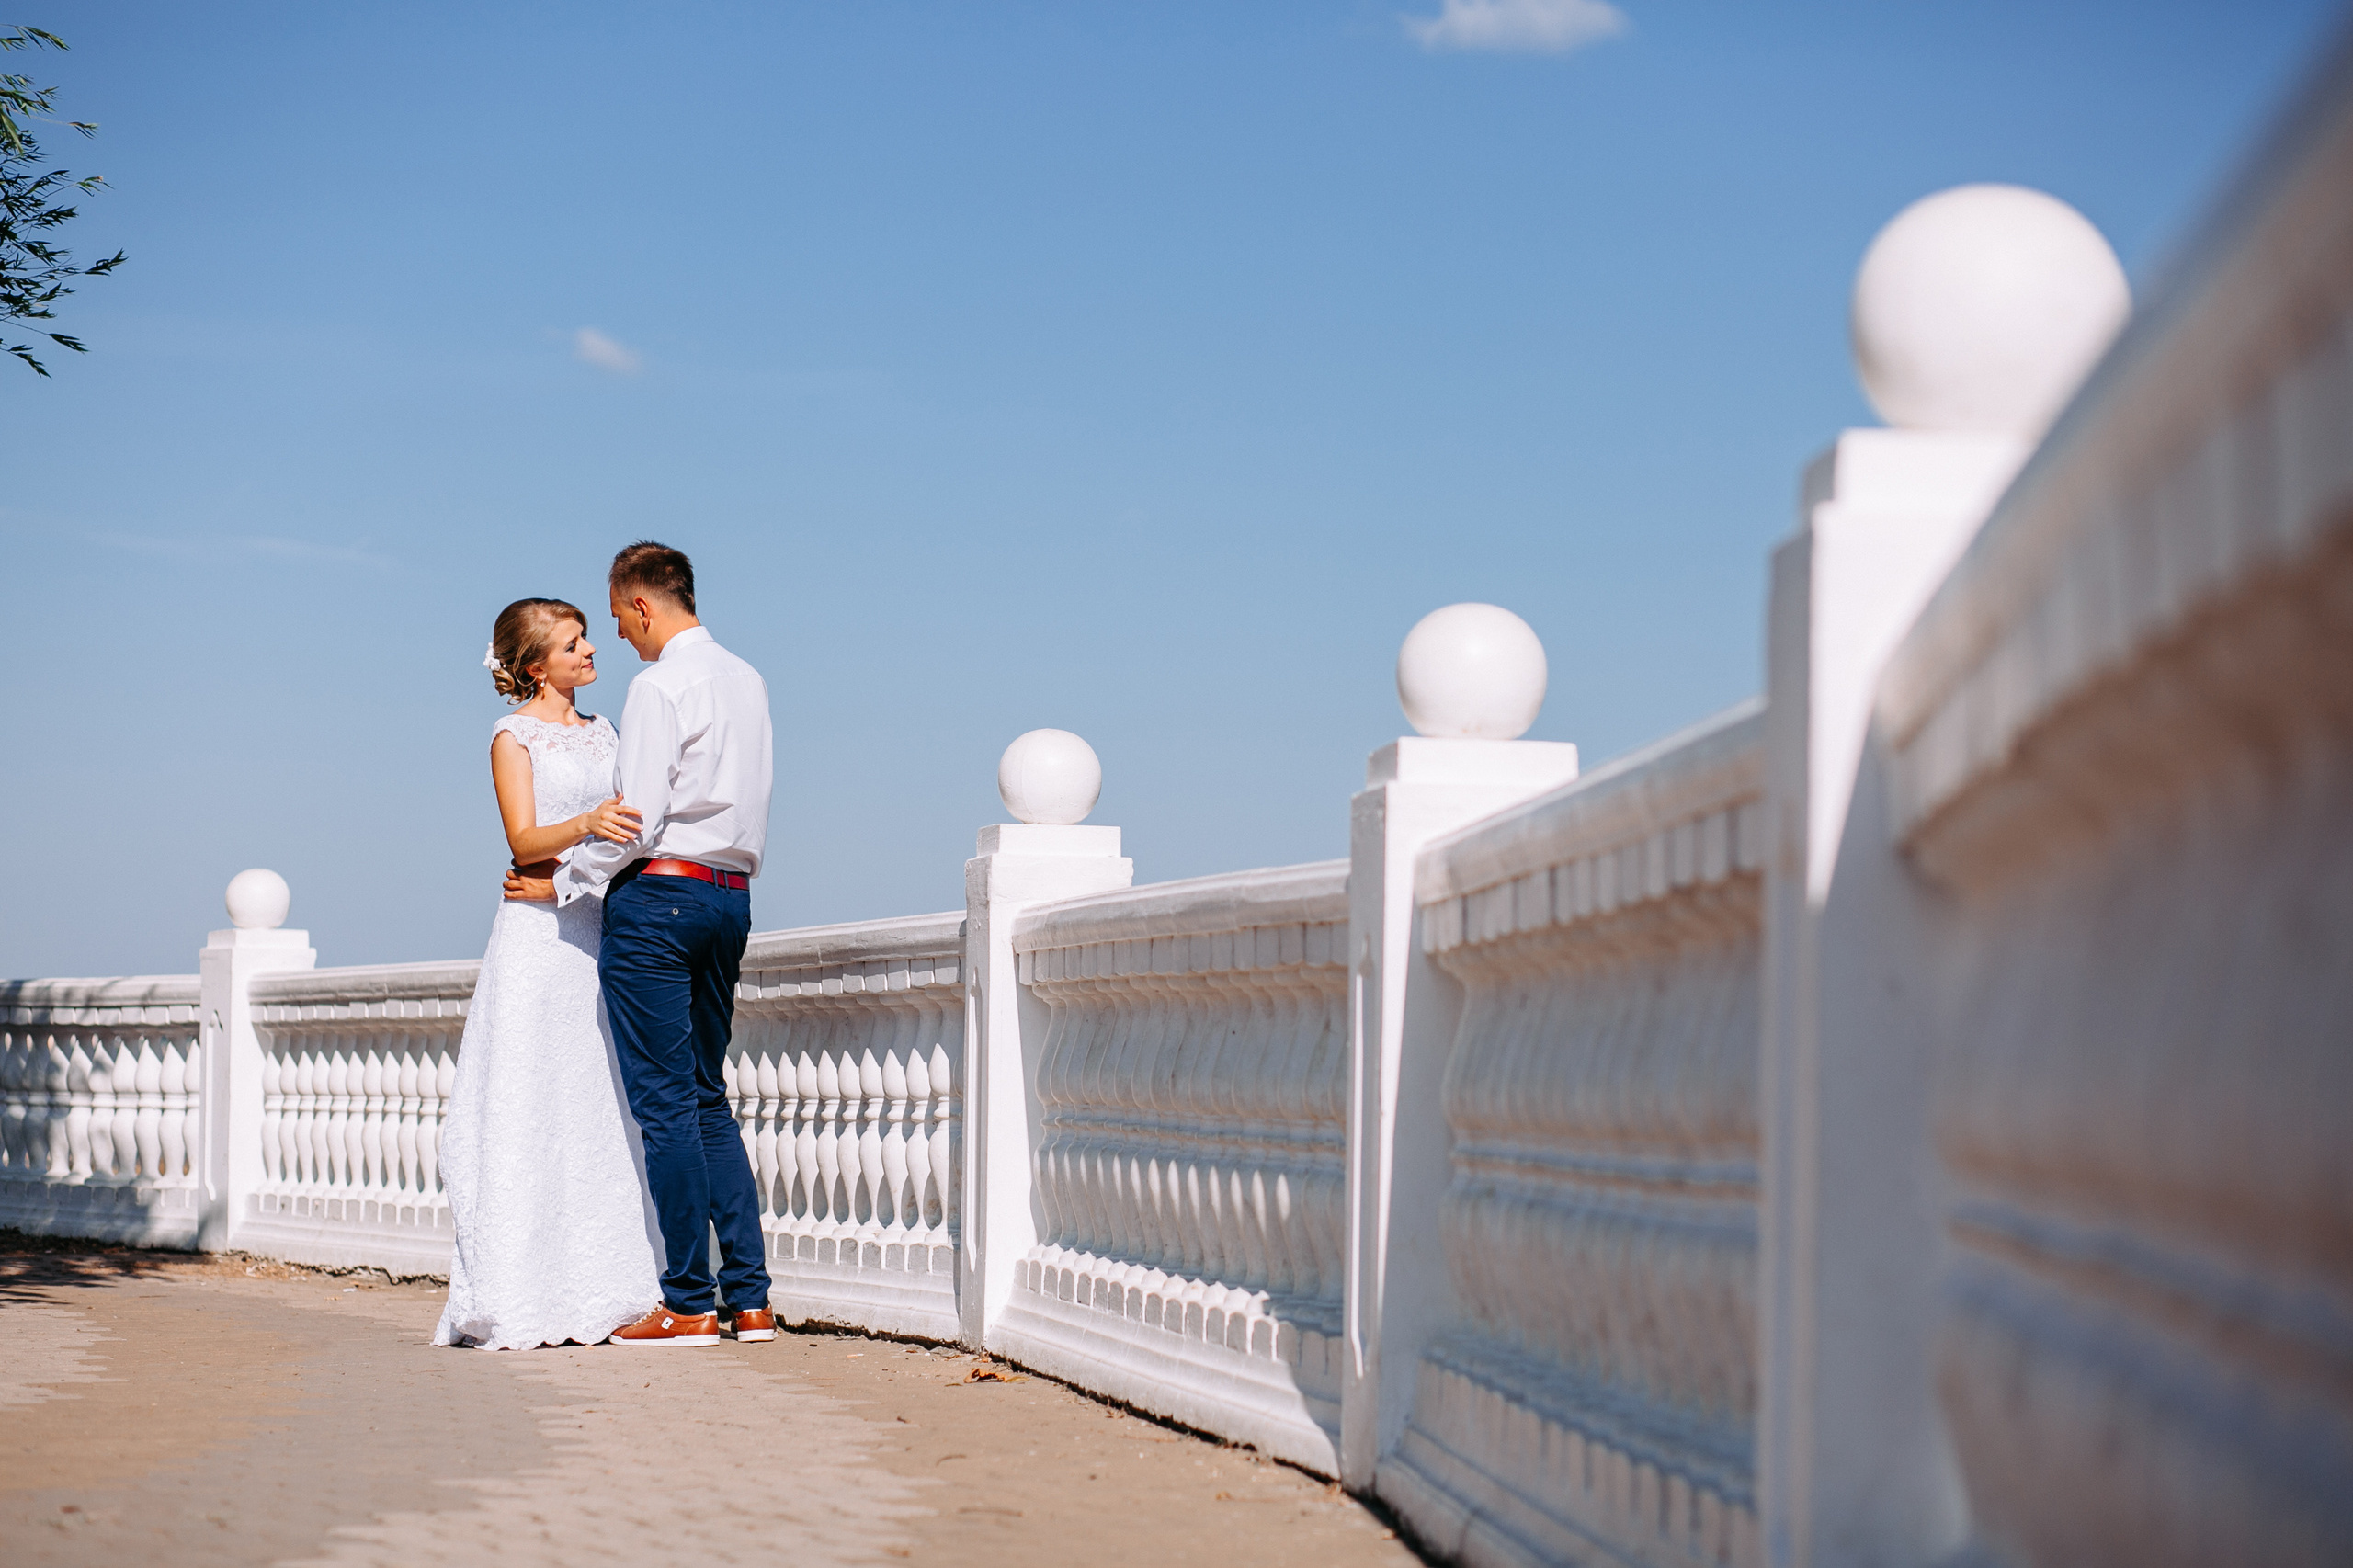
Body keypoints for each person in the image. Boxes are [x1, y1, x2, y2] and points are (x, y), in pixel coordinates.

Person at [503, 541, 778, 1347]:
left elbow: (638, 818)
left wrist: (563, 882)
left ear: (644, 606)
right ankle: (750, 1299)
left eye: (618, 616)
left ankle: (689, 1301)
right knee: (705, 1096)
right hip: (732, 897)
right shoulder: (748, 679)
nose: (617, 635)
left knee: (665, 1107)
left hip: (661, 897)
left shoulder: (660, 687)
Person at [434, 598, 662, 1350]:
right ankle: (521, 1288)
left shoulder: (608, 732)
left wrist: (591, 861)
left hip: (597, 924)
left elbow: (638, 828)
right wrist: (591, 822)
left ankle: (617, 1286)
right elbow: (525, 839)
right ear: (538, 666)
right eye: (574, 643)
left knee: (599, 1102)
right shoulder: (511, 736)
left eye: (587, 637)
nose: (593, 650)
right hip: (537, 939)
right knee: (533, 1099)